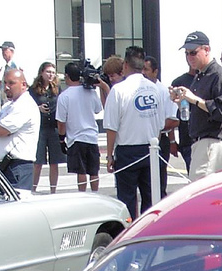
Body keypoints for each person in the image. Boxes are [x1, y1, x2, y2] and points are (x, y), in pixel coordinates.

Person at [103, 46, 166, 218]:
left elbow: (111, 127)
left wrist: (109, 155)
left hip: (127, 150)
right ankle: (149, 232)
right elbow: (160, 125)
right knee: (151, 198)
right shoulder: (155, 89)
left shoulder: (118, 90)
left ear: (125, 65)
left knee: (127, 199)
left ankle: (130, 234)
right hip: (150, 148)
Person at [170, 31, 222, 181]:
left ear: (207, 49)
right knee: (200, 194)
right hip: (201, 143)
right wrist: (182, 101)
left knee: (205, 195)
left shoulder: (218, 75)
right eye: (186, 53)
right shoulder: (201, 75)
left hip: (213, 143)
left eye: (193, 52)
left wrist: (195, 99)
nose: (189, 57)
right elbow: (198, 108)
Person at [56, 61, 108, 192]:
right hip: (91, 135)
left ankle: (83, 194)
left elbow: (61, 121)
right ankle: (96, 193)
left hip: (76, 137)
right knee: (94, 170)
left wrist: (62, 139)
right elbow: (98, 109)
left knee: (81, 171)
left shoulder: (64, 96)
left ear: (67, 76)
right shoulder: (90, 92)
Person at [0, 68, 39, 191]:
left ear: (23, 85)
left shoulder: (25, 105)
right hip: (3, 166)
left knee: (17, 206)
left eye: (11, 83)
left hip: (18, 167)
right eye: (5, 83)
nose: (7, 87)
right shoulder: (8, 106)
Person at [144, 55, 179, 195]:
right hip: (142, 139)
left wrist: (172, 141)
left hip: (160, 139)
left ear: (155, 71)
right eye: (142, 69)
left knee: (159, 179)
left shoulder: (163, 91)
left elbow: (173, 119)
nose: (143, 73)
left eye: (146, 69)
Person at [29, 62, 65, 193]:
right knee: (38, 162)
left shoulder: (57, 88)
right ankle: (32, 189)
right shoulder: (33, 90)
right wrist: (37, 108)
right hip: (40, 128)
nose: (51, 75)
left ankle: (53, 191)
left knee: (54, 162)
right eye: (48, 72)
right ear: (41, 73)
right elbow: (26, 106)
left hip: (54, 127)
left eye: (53, 72)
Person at [170, 63, 196, 172]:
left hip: (207, 137)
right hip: (187, 138)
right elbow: (171, 114)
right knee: (193, 176)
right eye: (188, 54)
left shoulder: (210, 79)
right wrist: (172, 141)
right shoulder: (179, 83)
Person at [0, 41, 20, 105]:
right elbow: (1, 87)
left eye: (5, 50)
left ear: (12, 51)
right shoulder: (6, 67)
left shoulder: (15, 67)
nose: (3, 52)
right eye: (2, 50)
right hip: (4, 103)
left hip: (11, 103)